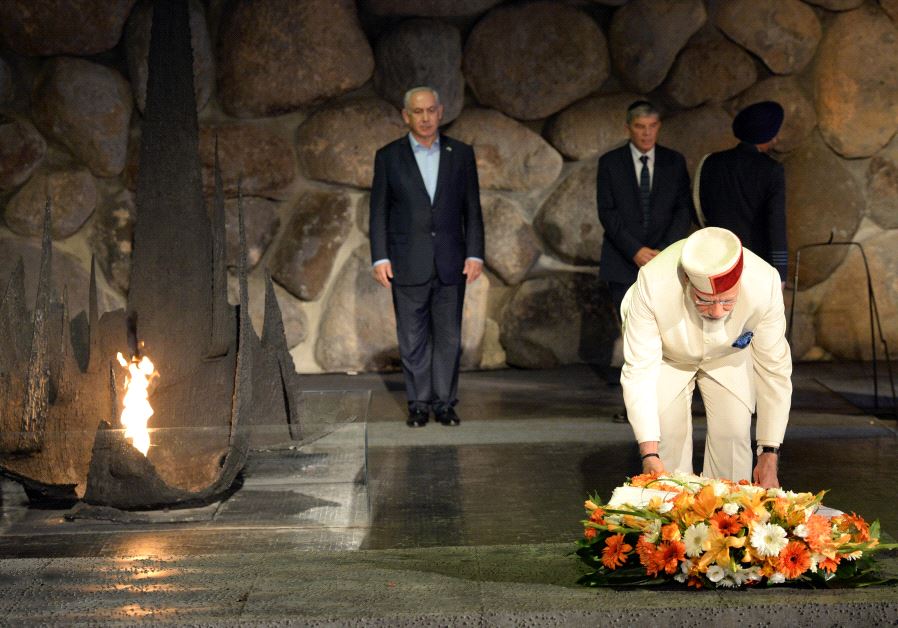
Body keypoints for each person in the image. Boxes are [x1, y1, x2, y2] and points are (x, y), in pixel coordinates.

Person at [620, 227, 791, 488]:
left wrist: (769, 453)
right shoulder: (653, 281)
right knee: (668, 438)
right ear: (688, 282)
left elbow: (774, 370)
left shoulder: (764, 282)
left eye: (727, 301)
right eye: (705, 301)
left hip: (728, 354)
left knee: (733, 434)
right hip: (668, 355)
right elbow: (639, 370)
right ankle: (673, 521)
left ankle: (729, 520)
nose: (716, 311)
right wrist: (649, 453)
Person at [369, 86, 484, 428]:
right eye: (417, 112)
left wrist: (475, 252)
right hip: (407, 261)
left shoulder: (460, 153)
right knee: (413, 337)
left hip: (451, 260)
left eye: (430, 110)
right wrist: (380, 257)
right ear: (406, 116)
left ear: (440, 111)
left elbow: (472, 209)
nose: (425, 117)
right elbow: (378, 212)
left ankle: (445, 403)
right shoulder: (388, 156)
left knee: (449, 336)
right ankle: (419, 403)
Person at [597, 100, 692, 421]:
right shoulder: (610, 163)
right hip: (624, 262)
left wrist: (664, 252)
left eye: (652, 126)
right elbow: (607, 213)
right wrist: (635, 250)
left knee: (666, 335)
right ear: (628, 128)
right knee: (635, 338)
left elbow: (683, 210)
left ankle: (667, 404)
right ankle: (635, 408)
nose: (647, 133)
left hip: (666, 262)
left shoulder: (674, 162)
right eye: (640, 127)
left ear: (659, 127)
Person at [694, 100, 787, 284]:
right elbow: (776, 225)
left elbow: (699, 210)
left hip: (715, 263)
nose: (776, 139)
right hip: (757, 267)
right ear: (767, 135)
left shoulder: (710, 162)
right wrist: (780, 274)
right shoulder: (772, 170)